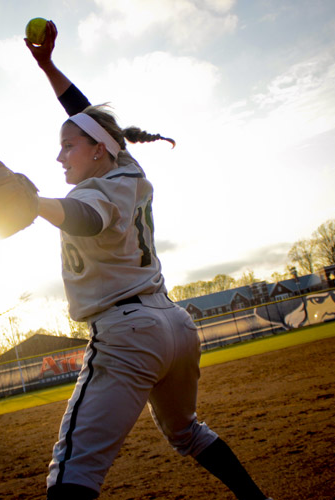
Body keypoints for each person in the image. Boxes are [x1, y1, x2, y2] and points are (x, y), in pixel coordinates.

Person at [25, 21, 273, 500]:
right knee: (187, 433)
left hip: (129, 333)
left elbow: (85, 218)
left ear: (99, 150)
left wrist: (31, 203)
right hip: (174, 325)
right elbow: (87, 117)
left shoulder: (101, 189)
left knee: (71, 471)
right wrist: (48, 68)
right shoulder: (126, 168)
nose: (59, 157)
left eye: (68, 146)